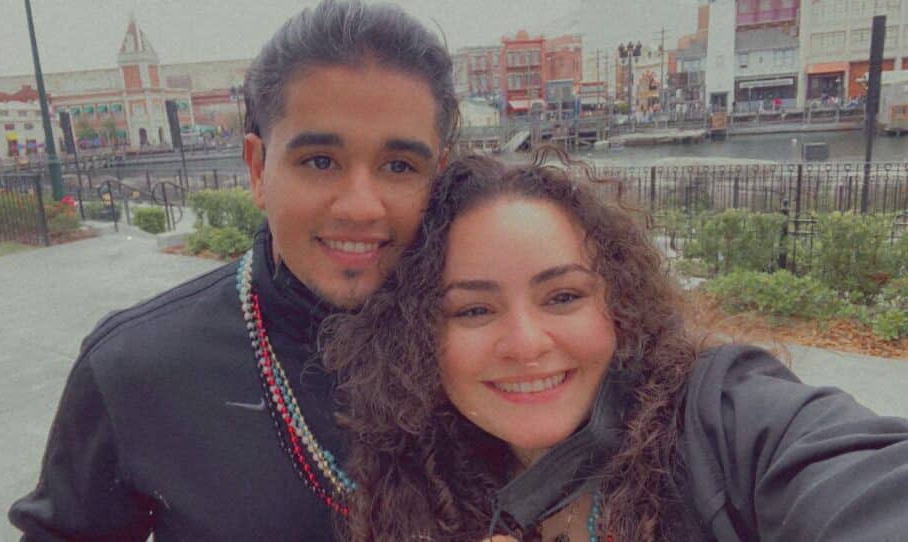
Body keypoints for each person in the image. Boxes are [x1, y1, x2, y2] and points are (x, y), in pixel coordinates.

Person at [8, 1, 457, 539]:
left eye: (398, 166)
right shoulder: (139, 369)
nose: (360, 207)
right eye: (319, 161)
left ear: (441, 176)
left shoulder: (503, 347)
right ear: (257, 169)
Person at [321, 150, 908, 541]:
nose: (526, 344)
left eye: (563, 297)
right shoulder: (424, 478)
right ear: (418, 337)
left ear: (619, 302)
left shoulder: (718, 421)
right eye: (474, 310)